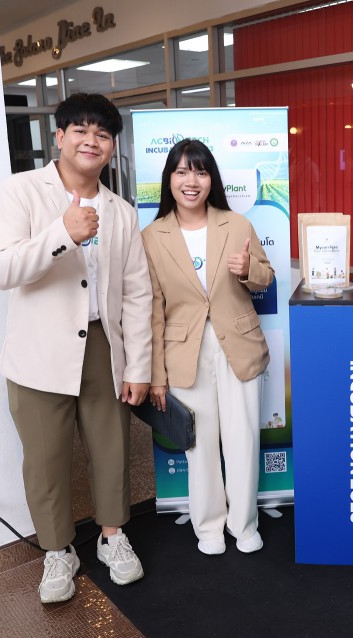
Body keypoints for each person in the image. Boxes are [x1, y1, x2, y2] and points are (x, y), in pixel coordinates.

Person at [0, 93, 153, 603]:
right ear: (59, 137)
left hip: (104, 345)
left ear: (112, 146)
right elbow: (0, 269)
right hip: (38, 351)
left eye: (102, 134)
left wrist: (139, 365)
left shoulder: (122, 212)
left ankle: (112, 536)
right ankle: (57, 550)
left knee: (112, 449)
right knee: (45, 459)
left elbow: (137, 293)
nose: (91, 141)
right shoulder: (21, 192)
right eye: (80, 130)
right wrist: (63, 233)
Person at [141, 139, 273, 556]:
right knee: (199, 445)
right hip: (185, 352)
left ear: (210, 178)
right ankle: (210, 525)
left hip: (239, 345)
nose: (191, 181)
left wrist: (248, 269)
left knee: (242, 439)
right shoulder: (152, 237)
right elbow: (154, 311)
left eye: (199, 172)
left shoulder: (235, 224)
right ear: (169, 179)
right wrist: (156, 377)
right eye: (181, 172)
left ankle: (243, 524)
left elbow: (266, 276)